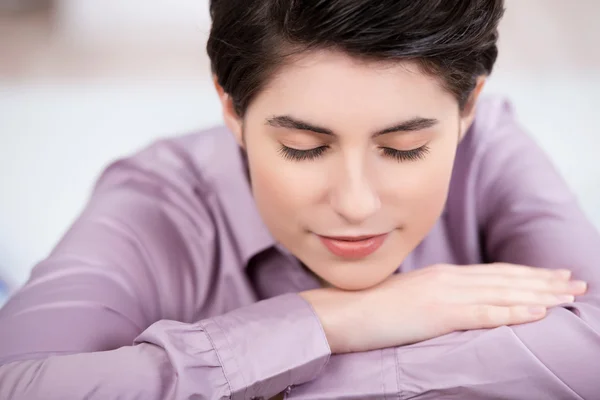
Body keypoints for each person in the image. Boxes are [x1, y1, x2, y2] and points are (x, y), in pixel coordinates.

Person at [0, 0, 599, 399]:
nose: (358, 204)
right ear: (232, 108)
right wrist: (334, 319)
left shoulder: (491, 146)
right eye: (304, 147)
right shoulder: (156, 200)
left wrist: (276, 373)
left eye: (406, 148)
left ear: (468, 108)